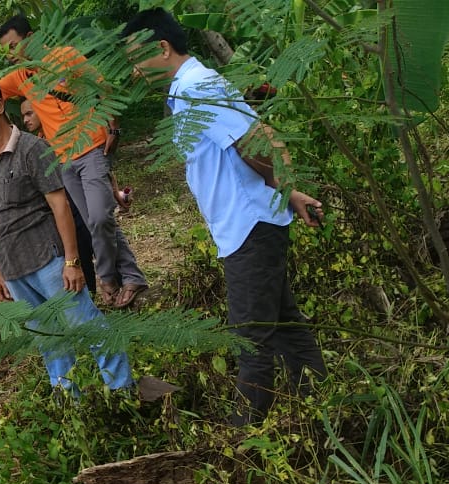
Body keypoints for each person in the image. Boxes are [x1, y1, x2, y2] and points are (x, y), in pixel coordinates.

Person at [122, 8, 326, 424]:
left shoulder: (197, 86)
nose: (133, 71)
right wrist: (291, 194)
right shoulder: (187, 89)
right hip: (249, 224)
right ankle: (320, 401)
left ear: (161, 48)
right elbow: (244, 144)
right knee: (284, 322)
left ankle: (242, 441)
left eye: (135, 59)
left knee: (250, 338)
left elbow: (256, 142)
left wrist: (286, 188)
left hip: (248, 227)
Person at [0, 14, 148, 308]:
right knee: (96, 220)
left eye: (14, 46)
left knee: (100, 217)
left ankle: (107, 279)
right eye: (7, 51)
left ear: (31, 37)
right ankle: (131, 276)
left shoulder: (66, 58)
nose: (12, 55)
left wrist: (113, 128)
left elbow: (102, 90)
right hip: (62, 160)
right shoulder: (20, 76)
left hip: (91, 146)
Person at [0, 82, 133, 393]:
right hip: (14, 272)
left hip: (48, 262)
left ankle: (123, 391)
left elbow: (60, 205)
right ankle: (70, 405)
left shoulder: (31, 149)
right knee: (49, 342)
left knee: (87, 327)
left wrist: (71, 261)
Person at [19, 99, 98, 295]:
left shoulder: (64, 137)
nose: (25, 120)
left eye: (29, 114)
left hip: (79, 204)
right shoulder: (36, 145)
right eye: (23, 116)